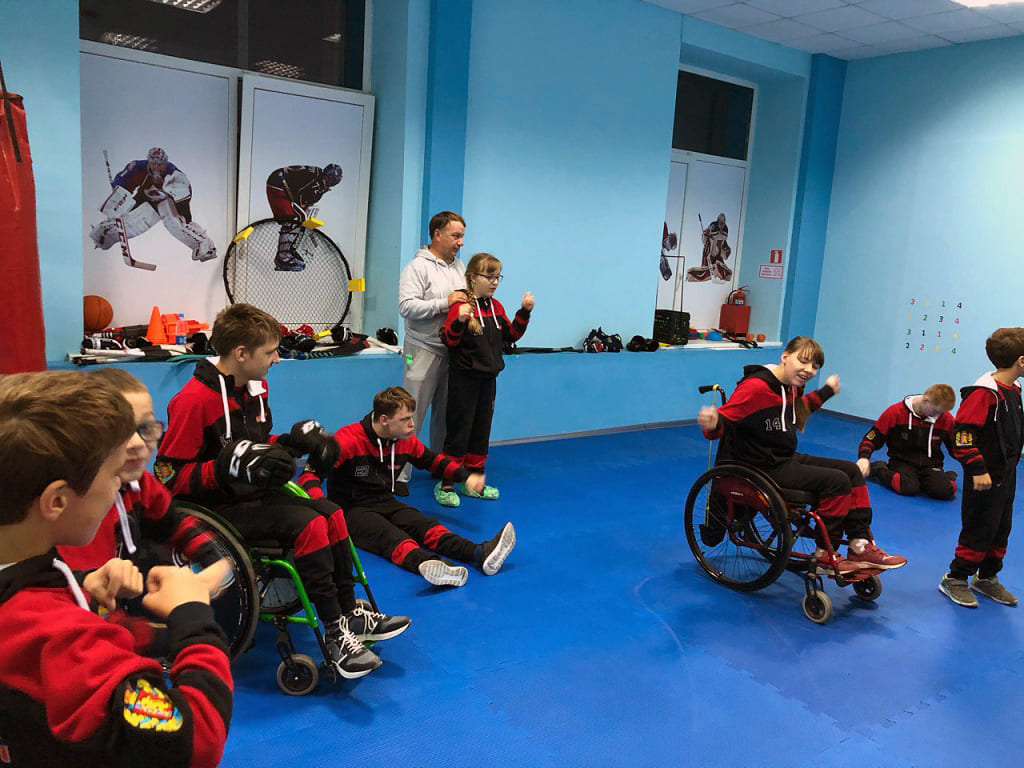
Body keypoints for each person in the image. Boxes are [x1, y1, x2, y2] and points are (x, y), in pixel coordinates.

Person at [155, 303, 410, 679]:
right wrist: (222, 467)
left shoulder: (255, 388)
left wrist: (291, 443)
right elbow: (168, 477)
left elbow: (255, 445)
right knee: (310, 526)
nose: (277, 359)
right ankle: (334, 634)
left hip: (254, 495)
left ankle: (348, 613)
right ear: (241, 354)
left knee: (332, 513)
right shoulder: (194, 401)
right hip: (218, 507)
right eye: (270, 352)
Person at [0, 371, 232, 768]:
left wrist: (80, 585)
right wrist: (194, 617)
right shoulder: (64, 641)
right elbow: (196, 741)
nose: (117, 489)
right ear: (57, 501)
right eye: (113, 476)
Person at [697, 336, 907, 574]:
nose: (809, 370)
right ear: (785, 356)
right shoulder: (755, 387)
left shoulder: (790, 388)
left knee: (851, 471)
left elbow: (801, 408)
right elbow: (724, 422)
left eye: (815, 366)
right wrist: (712, 423)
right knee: (836, 481)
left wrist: (827, 391)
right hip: (760, 466)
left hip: (783, 458)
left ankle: (860, 545)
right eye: (803, 361)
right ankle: (824, 553)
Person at [298, 386, 516, 587]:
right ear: (384, 420)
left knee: (426, 526)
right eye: (405, 419)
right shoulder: (347, 440)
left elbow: (434, 462)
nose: (412, 424)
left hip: (385, 500)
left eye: (411, 417)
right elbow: (309, 476)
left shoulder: (404, 440)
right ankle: (434, 566)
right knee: (391, 537)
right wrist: (325, 508)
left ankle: (479, 553)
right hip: (351, 509)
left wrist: (466, 477)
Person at [59, 368, 217, 575]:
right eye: (120, 431)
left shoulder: (140, 483)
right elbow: (82, 586)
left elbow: (173, 524)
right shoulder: (74, 506)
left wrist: (213, 557)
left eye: (146, 427)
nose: (138, 443)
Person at [436, 252, 533, 506]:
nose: (495, 282)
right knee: (459, 430)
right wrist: (459, 321)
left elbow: (510, 335)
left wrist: (524, 312)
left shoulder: (496, 307)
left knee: (481, 431)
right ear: (472, 278)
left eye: (498, 277)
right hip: (463, 380)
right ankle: (447, 483)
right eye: (489, 277)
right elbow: (448, 340)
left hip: (488, 379)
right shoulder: (460, 305)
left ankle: (474, 482)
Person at [939, 328, 1024, 608]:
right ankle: (956, 578)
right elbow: (962, 435)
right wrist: (977, 468)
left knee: (1001, 528)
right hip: (983, 476)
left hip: (1006, 475)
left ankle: (986, 577)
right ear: (1021, 361)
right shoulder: (983, 394)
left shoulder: (1014, 390)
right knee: (979, 527)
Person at [396, 211, 468, 496]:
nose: (461, 242)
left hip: (453, 350)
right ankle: (398, 475)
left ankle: (441, 468)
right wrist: (444, 302)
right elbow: (406, 307)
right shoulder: (416, 267)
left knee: (447, 416)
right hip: (422, 349)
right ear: (437, 234)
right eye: (456, 236)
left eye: (462, 236)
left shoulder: (460, 267)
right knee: (410, 414)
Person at [90, 146, 217, 263]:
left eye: (160, 164)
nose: (156, 167)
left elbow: (184, 200)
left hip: (166, 201)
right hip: (145, 199)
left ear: (165, 163)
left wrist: (185, 218)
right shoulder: (137, 167)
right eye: (153, 163)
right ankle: (103, 237)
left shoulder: (175, 176)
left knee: (175, 224)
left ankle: (206, 247)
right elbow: (123, 182)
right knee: (129, 223)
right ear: (148, 161)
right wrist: (118, 195)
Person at [856, 384, 958, 500]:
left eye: (942, 412)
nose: (938, 415)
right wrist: (864, 458)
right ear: (926, 400)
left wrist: (972, 465)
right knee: (908, 487)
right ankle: (879, 468)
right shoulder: (895, 412)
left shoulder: (946, 419)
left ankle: (944, 477)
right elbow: (871, 438)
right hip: (902, 462)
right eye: (936, 411)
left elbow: (956, 448)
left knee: (945, 491)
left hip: (931, 464)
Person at [265, 163, 343, 271]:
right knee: (290, 221)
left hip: (278, 182)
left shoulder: (319, 178)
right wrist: (301, 216)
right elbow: (301, 196)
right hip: (278, 185)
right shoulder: (318, 182)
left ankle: (287, 253)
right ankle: (284, 257)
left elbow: (302, 196)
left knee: (293, 220)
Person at [686, 212, 731, 283]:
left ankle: (716, 273)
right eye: (721, 221)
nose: (722, 224)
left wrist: (726, 251)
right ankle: (691, 275)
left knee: (721, 269)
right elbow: (705, 239)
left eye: (723, 221)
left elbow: (724, 243)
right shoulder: (713, 225)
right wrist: (705, 235)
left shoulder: (725, 229)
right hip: (709, 253)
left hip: (717, 255)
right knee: (707, 269)